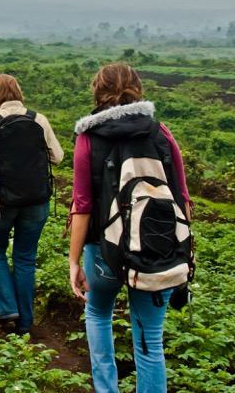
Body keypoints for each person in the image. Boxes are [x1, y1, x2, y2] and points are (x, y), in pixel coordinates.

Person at [69, 63, 192, 393]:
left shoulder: (88, 139)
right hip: (156, 249)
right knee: (150, 340)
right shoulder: (160, 132)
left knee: (97, 314)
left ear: (98, 92)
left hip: (103, 251)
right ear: (137, 89)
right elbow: (182, 198)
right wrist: (183, 252)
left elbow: (81, 207)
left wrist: (73, 261)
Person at [0, 73, 63, 334]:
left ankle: (8, 308)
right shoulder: (38, 119)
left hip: (2, 201)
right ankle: (25, 322)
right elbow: (57, 157)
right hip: (36, 200)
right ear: (19, 92)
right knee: (25, 258)